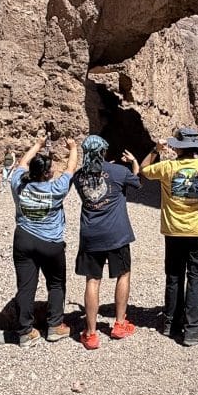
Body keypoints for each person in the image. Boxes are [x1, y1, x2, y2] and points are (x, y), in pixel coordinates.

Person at [140, 126, 198, 346]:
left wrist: (156, 150)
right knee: (196, 278)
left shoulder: (167, 167)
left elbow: (144, 168)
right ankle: (192, 329)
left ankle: (170, 323)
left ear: (178, 148)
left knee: (174, 277)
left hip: (173, 231)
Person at [71, 135, 141, 350]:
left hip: (91, 235)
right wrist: (133, 163)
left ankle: (91, 334)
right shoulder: (119, 171)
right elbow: (136, 182)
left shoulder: (78, 177)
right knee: (123, 274)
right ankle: (120, 324)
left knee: (93, 280)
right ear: (103, 152)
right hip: (117, 234)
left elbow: (96, 175)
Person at [8, 134, 79, 347]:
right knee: (56, 283)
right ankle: (55, 326)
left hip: (23, 240)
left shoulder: (18, 184)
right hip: (50, 243)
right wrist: (73, 147)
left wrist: (37, 145)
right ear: (48, 174)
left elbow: (21, 163)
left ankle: (25, 331)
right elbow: (71, 169)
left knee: (26, 286)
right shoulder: (56, 189)